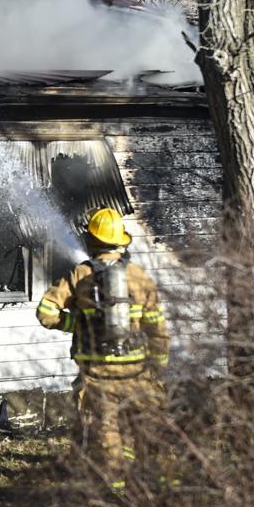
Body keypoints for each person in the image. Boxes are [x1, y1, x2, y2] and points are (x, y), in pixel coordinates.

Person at [36, 208, 170, 492]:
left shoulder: (79, 274)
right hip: (137, 372)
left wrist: (79, 324)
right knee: (145, 429)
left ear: (91, 241)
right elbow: (156, 327)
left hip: (97, 373)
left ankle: (114, 492)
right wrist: (157, 364)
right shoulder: (138, 276)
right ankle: (158, 489)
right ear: (121, 242)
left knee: (105, 433)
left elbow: (46, 312)